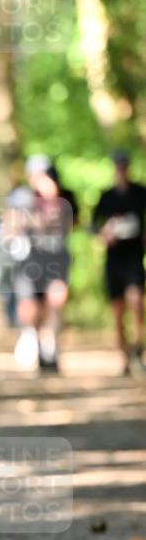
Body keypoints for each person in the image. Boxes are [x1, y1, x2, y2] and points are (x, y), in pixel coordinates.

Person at [9, 154, 77, 372]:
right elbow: (11, 226)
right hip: (31, 261)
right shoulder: (22, 198)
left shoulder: (66, 197)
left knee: (56, 303)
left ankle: (52, 348)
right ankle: (32, 339)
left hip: (57, 259)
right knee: (32, 307)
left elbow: (69, 222)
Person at [92, 149, 146, 376]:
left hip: (134, 259)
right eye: (118, 166)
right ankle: (125, 355)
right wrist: (104, 235)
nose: (121, 170)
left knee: (136, 305)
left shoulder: (140, 193)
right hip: (113, 261)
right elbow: (93, 226)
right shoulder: (106, 197)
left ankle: (138, 350)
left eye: (124, 166)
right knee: (117, 312)